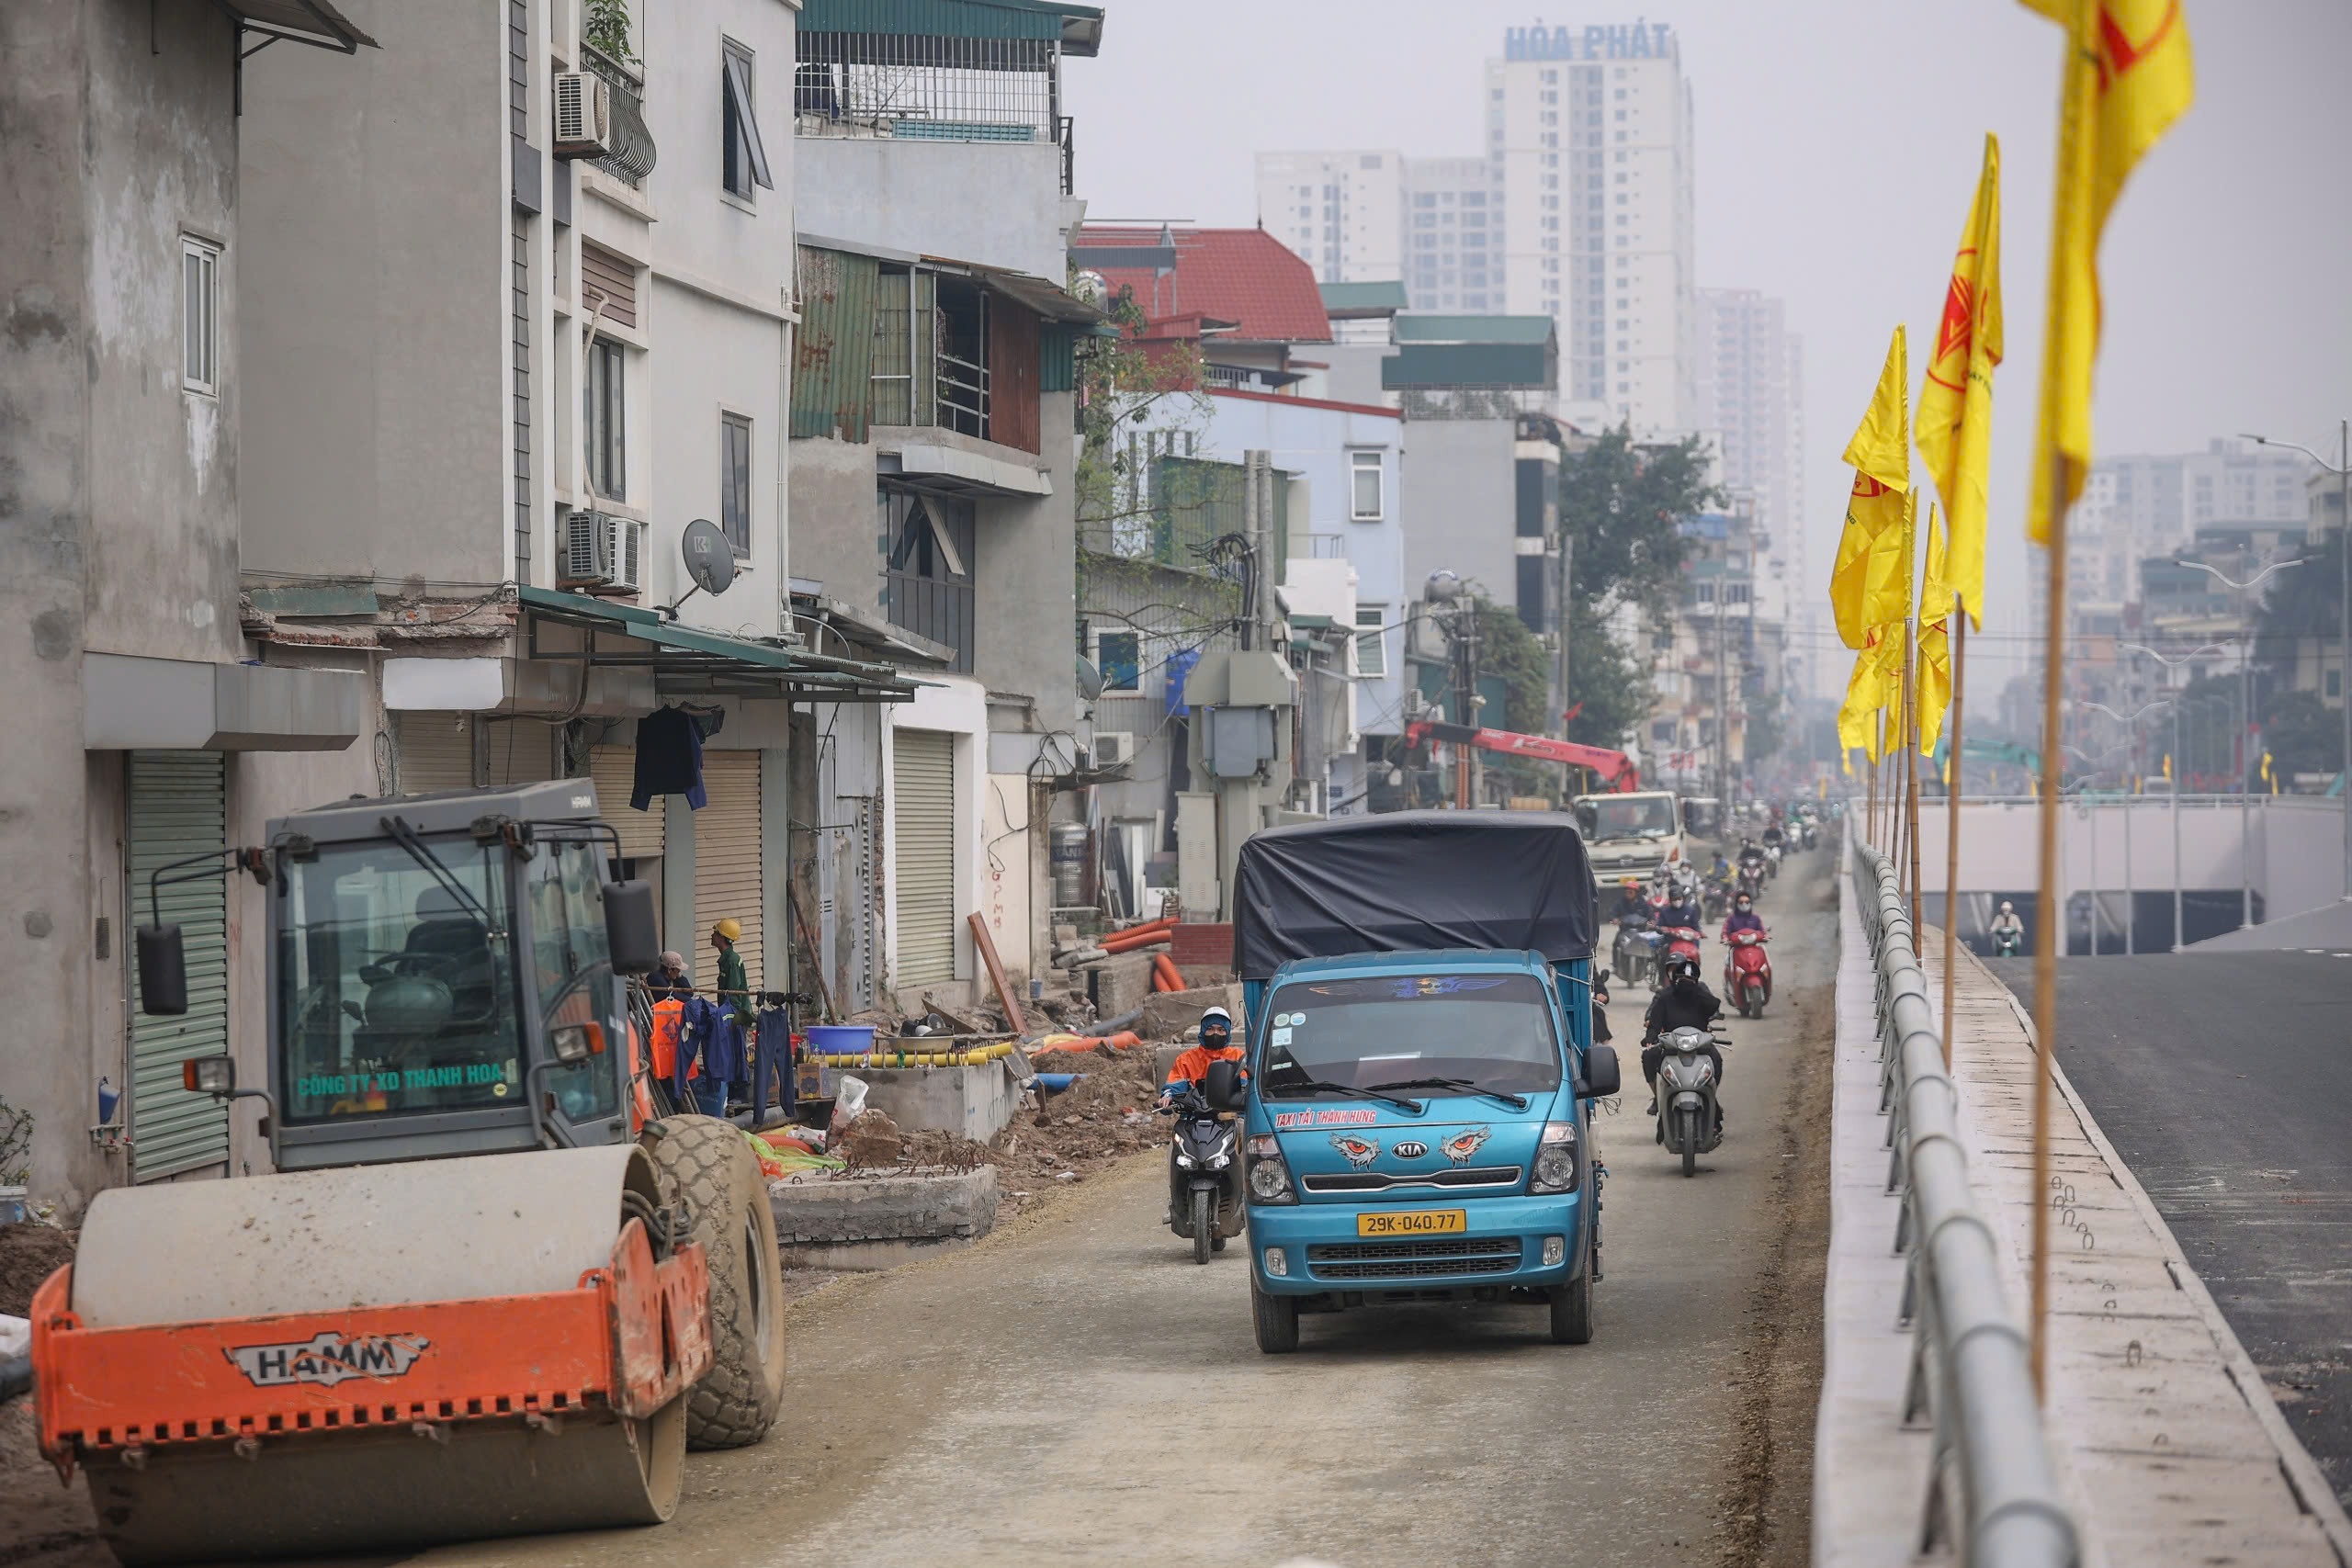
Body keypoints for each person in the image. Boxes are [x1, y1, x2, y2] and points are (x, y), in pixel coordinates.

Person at [1159, 1006, 1247, 1223]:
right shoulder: (1187, 1059)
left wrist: (1247, 1097)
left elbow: (1246, 1083)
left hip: (1227, 1118)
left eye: (1220, 1029)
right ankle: (1174, 1200)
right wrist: (1168, 1096)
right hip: (1193, 1119)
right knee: (1174, 1148)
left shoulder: (1238, 1057)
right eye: (1210, 1029)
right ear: (1202, 1031)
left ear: (1227, 1031)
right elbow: (1175, 1083)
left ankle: (1248, 1199)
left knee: (1248, 1146)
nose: (1215, 1034)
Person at [1640, 954, 1724, 1121]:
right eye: (1678, 975)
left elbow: (1714, 1005)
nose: (1683, 980)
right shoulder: (1664, 995)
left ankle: (1710, 1097)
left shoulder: (1700, 991)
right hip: (1671, 1044)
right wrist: (1650, 1039)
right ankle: (1659, 1097)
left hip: (1699, 1043)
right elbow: (1654, 1022)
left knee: (1716, 1060)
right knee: (1649, 1056)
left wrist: (1695, 988)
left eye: (1688, 978)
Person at [710, 919, 750, 1012]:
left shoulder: (732, 962)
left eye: (715, 933)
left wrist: (731, 1020)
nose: (712, 935)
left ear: (723, 937)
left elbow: (734, 996)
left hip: (734, 1016)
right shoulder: (727, 959)